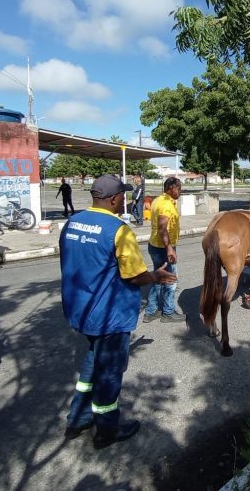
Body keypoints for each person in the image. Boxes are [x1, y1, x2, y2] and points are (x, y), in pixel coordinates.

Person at [60, 174, 176, 450]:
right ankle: (106, 430)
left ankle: (77, 419)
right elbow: (134, 275)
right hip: (109, 314)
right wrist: (156, 276)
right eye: (122, 195)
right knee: (110, 371)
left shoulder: (72, 223)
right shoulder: (118, 230)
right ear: (113, 199)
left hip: (81, 309)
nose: (124, 199)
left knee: (92, 363)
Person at [144, 177, 187, 323]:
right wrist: (169, 249)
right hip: (163, 247)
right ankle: (168, 313)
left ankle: (151, 312)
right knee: (170, 280)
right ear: (171, 188)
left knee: (158, 278)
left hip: (155, 245)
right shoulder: (166, 205)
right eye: (178, 188)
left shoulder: (158, 200)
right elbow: (162, 229)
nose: (180, 191)